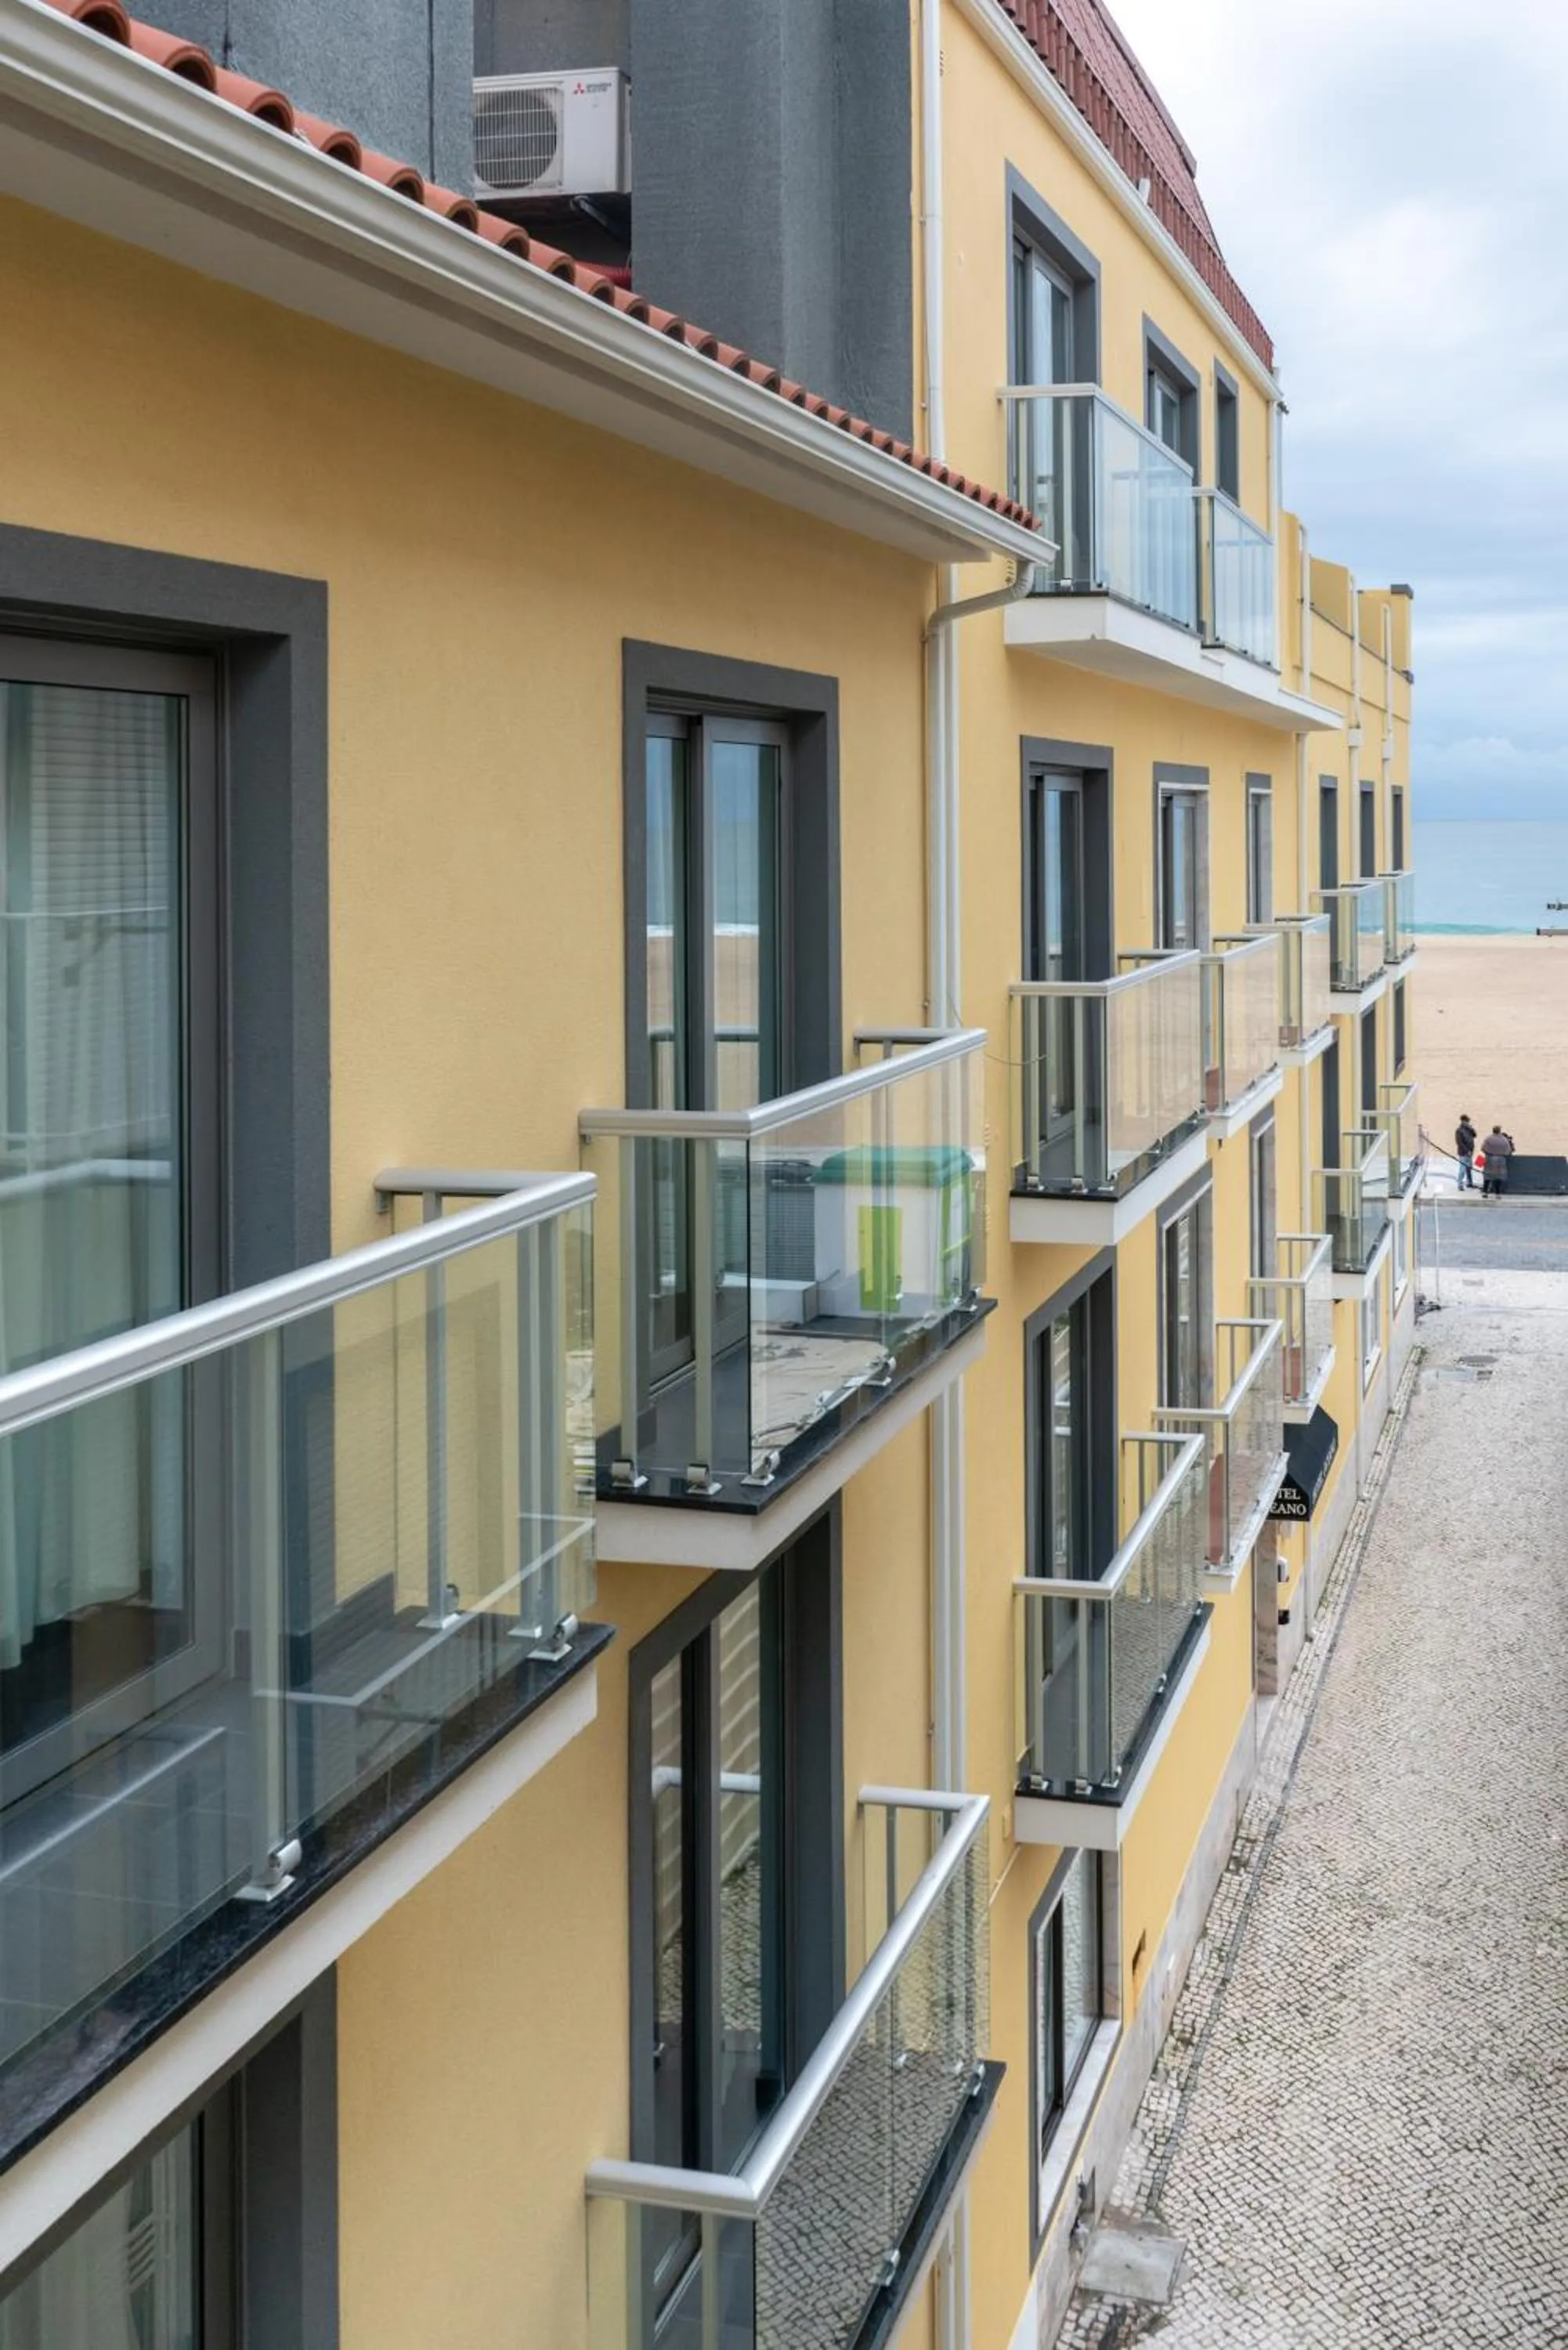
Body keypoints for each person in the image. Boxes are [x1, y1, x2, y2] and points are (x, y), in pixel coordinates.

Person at [1481, 1123, 1515, 1200]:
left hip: (1489, 1159)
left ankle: (1485, 1192)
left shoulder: (1488, 1139)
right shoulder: (1504, 1140)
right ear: (1499, 1131)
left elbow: (1483, 1148)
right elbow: (1508, 1151)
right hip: (1500, 1160)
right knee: (1498, 1178)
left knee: (1487, 1176)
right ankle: (1497, 1193)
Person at [1454, 1112, 1476, 1190]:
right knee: (1462, 1169)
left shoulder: (1469, 1129)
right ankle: (1460, 1184)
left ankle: (1469, 1183)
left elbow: (1475, 1135)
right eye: (1467, 1121)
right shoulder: (1459, 1130)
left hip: (1470, 1152)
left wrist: (1472, 1129)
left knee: (1469, 1168)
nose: (1468, 1122)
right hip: (1463, 1153)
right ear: (1463, 1121)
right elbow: (1459, 1143)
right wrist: (1467, 1151)